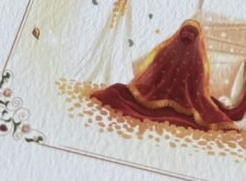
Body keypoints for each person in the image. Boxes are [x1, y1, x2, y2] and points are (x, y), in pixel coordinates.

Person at [90, 20, 238, 132]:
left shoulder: (195, 59)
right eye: (186, 32)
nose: (188, 36)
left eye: (191, 33)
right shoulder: (172, 51)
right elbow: (154, 73)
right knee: (118, 91)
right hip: (162, 96)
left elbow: (196, 88)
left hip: (177, 99)